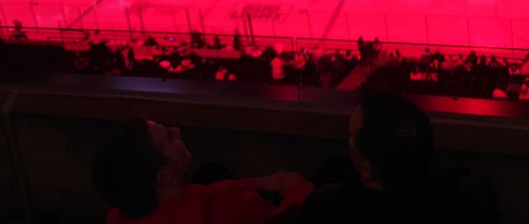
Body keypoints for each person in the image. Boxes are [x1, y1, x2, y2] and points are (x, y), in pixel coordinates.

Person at [295, 92, 495, 223]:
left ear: (367, 169)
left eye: (352, 137)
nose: (349, 143)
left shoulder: (325, 208)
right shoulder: (466, 199)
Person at [92, 117, 311, 224]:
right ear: (164, 176)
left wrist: (256, 183)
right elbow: (289, 215)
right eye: (169, 137)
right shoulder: (236, 211)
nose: (177, 130)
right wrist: (298, 188)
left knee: (212, 171)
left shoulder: (124, 213)